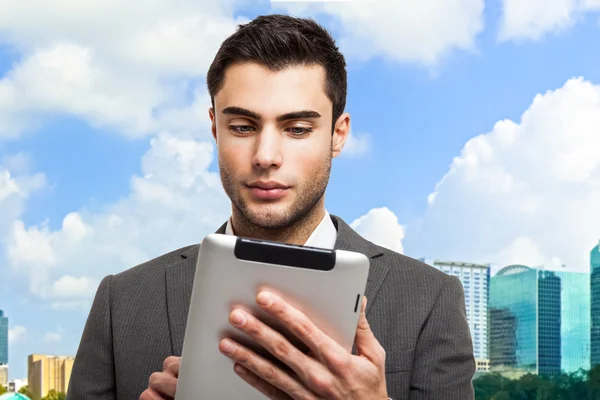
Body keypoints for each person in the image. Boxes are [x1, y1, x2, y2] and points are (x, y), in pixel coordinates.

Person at [66, 14, 475, 400]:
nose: (266, 155)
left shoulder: (430, 302)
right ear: (214, 129)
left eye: (297, 129)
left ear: (338, 134)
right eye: (242, 127)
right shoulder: (122, 303)